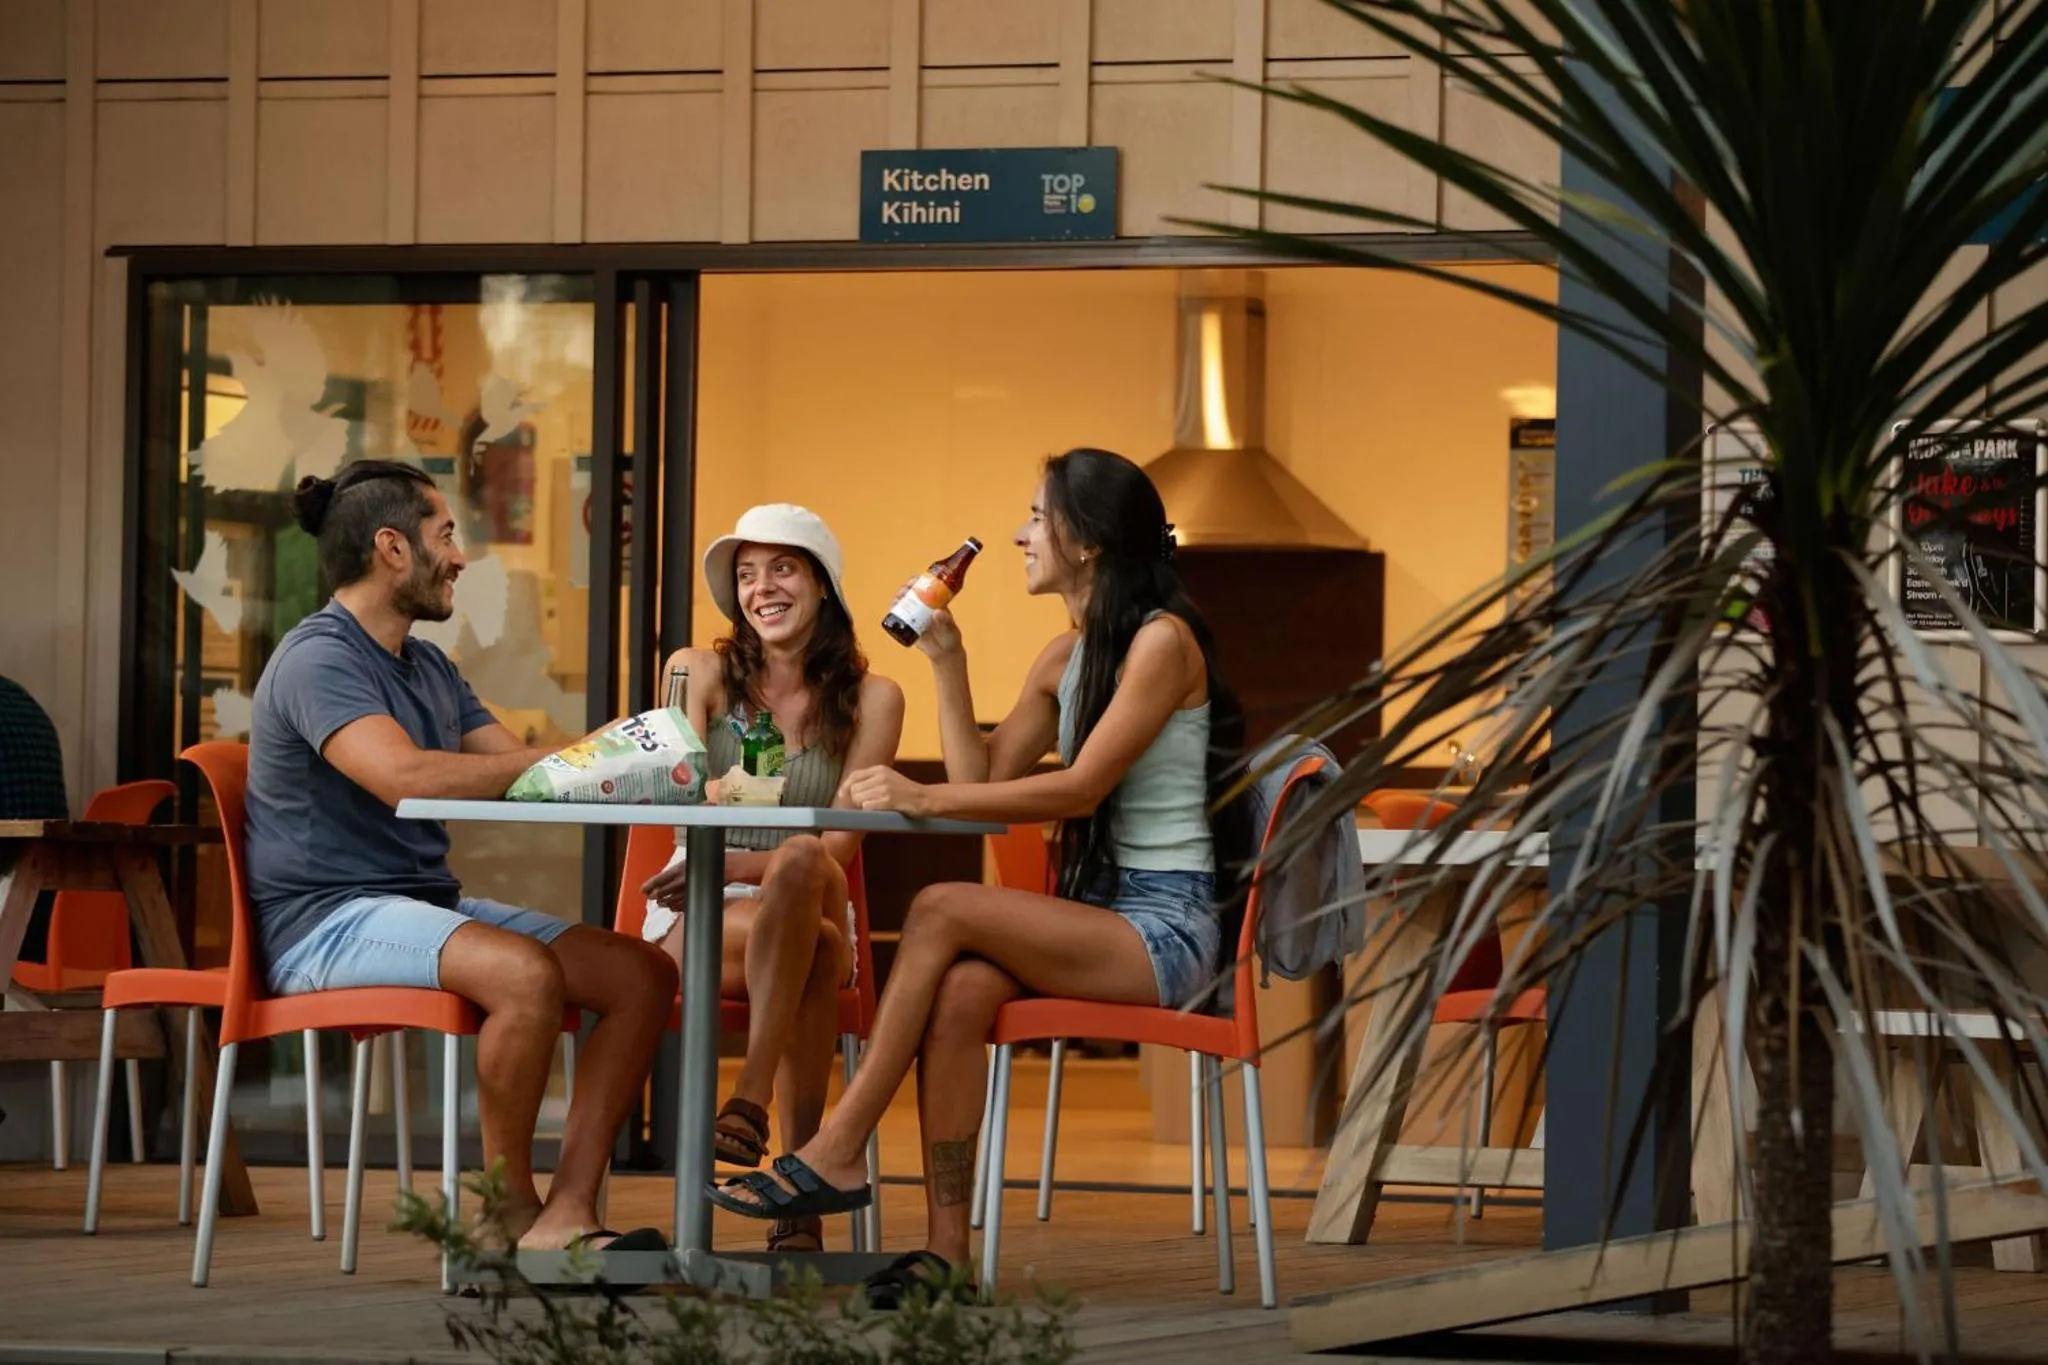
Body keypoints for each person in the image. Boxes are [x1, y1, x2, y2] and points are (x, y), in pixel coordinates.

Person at [706, 448, 1251, 1304]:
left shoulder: (1161, 643)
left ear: (1088, 540)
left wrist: (922, 796)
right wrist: (947, 660)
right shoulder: (1063, 656)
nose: (1020, 535)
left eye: (1037, 518)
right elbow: (983, 779)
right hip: (1099, 916)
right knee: (959, 992)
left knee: (937, 905)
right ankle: (946, 1254)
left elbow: (1079, 787)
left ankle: (840, 1144)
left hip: (1166, 927)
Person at [243, 459, 676, 1253]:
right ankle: (504, 1212)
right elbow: (403, 776)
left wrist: (638, 753)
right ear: (392, 548)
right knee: (524, 973)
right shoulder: (319, 659)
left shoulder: (430, 666)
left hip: (419, 906)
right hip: (324, 921)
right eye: (445, 534)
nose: (460, 555)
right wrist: (572, 756)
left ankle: (567, 1212)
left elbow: (529, 776)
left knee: (640, 973)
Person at [640, 503, 905, 1254]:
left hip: (802, 882)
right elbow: (666, 788)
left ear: (823, 585)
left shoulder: (876, 698)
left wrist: (742, 856)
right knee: (813, 948)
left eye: (783, 568)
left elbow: (839, 846)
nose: (762, 588)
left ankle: (749, 1094)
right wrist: (710, 819)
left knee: (802, 861)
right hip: (704, 901)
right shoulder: (693, 670)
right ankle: (798, 1191)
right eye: (747, 575)